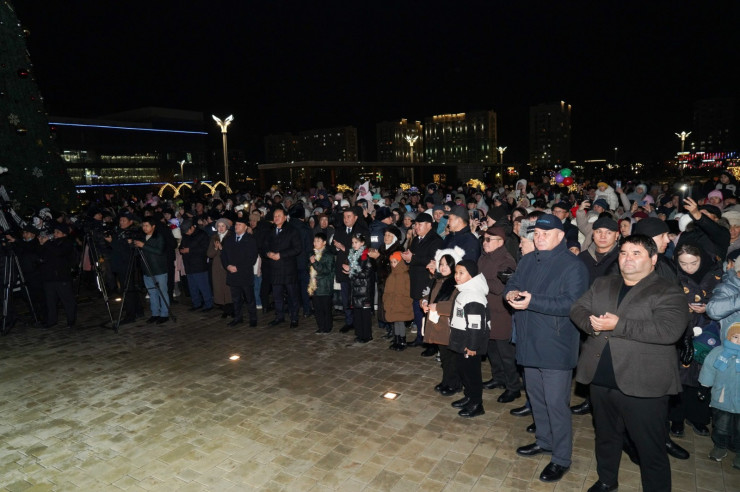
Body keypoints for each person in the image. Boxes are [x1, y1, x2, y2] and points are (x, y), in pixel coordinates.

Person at [570, 234, 688, 492]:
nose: (627, 258)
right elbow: (577, 309)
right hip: (601, 378)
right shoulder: (603, 283)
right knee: (605, 437)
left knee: (650, 448)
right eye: (623, 253)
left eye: (636, 253)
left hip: (643, 384)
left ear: (653, 259)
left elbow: (669, 331)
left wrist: (618, 325)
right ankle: (606, 480)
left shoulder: (668, 290)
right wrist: (592, 325)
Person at [504, 213, 589, 483]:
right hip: (529, 339)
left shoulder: (573, 266)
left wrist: (532, 301)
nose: (539, 238)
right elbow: (514, 282)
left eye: (546, 234)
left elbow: (572, 304)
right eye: (537, 234)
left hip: (555, 344)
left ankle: (561, 457)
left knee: (556, 404)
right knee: (537, 398)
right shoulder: (528, 259)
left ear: (560, 236)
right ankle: (544, 440)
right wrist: (509, 293)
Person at [670, 243, 721, 438]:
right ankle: (676, 418)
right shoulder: (673, 274)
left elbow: (725, 299)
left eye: (693, 263)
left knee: (702, 375)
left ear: (702, 259)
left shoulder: (716, 274)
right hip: (681, 329)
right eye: (683, 263)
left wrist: (708, 308)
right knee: (679, 376)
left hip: (708, 331)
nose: (689, 268)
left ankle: (697, 417)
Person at [477, 226, 521, 402]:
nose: (485, 243)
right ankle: (498, 378)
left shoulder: (506, 261)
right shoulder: (484, 257)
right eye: (484, 239)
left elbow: (500, 287)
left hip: (501, 313)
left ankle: (513, 387)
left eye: (489, 239)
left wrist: (478, 280)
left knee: (506, 354)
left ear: (500, 242)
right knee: (492, 350)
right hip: (486, 311)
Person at [444, 260, 489, 418]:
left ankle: (477, 404)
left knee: (472, 374)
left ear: (472, 275)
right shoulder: (464, 290)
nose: (457, 276)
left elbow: (475, 325)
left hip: (469, 342)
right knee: (463, 370)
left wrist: (472, 346)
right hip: (462, 340)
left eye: (461, 273)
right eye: (456, 272)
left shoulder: (473, 295)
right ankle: (469, 396)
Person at [698, 322, 740, 468]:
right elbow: (709, 369)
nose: (738, 341)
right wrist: (704, 386)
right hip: (722, 398)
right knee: (721, 425)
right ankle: (720, 446)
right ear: (729, 337)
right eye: (736, 337)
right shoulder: (719, 352)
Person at [423, 248, 463, 395]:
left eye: (447, 264)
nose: (443, 267)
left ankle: (455, 384)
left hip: (449, 325)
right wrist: (424, 302)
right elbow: (430, 296)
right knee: (444, 356)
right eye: (441, 264)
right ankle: (446, 381)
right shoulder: (438, 280)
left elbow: (456, 305)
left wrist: (437, 307)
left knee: (452, 357)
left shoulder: (456, 284)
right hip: (438, 324)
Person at [402, 212, 443, 349]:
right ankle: (420, 337)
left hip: (427, 281)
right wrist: (407, 257)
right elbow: (412, 256)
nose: (416, 227)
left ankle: (430, 341)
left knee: (427, 311)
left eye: (420, 224)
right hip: (416, 280)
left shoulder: (435, 240)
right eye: (416, 225)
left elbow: (433, 261)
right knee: (417, 310)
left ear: (429, 225)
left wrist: (412, 258)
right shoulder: (416, 239)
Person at [332, 207, 370, 333]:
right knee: (345, 298)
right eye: (344, 217)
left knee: (357, 298)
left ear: (355, 217)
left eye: (349, 216)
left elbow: (364, 249)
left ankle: (358, 322)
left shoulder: (362, 231)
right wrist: (336, 248)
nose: (346, 219)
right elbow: (332, 248)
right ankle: (349, 321)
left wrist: (344, 248)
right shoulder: (339, 230)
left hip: (357, 271)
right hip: (343, 269)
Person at [264, 208, 302, 327]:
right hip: (274, 268)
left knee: (292, 295)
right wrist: (268, 253)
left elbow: (297, 248)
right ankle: (279, 316)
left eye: (279, 216)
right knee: (277, 295)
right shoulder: (270, 231)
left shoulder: (292, 231)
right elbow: (264, 246)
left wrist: (281, 255)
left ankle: (294, 318)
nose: (276, 218)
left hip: (288, 268)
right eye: (275, 216)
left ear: (285, 217)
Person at [367, 225, 404, 339]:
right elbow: (376, 267)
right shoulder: (382, 248)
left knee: (392, 308)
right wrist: (374, 258)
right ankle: (389, 329)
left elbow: (392, 267)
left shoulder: (398, 249)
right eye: (385, 235)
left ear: (395, 238)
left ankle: (395, 332)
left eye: (389, 235)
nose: (386, 237)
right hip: (382, 283)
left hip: (393, 284)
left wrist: (379, 257)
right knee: (385, 308)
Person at [220, 216, 259, 327]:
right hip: (232, 274)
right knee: (236, 298)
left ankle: (253, 318)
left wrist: (238, 267)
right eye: (236, 224)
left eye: (239, 224)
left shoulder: (250, 240)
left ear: (245, 227)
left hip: (244, 274)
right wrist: (227, 266)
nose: (237, 226)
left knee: (249, 298)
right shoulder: (229, 239)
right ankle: (238, 317)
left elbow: (252, 258)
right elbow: (223, 255)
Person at [38, 223, 77, 329]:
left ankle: (71, 320)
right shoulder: (51, 243)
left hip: (61, 276)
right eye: (54, 232)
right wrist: (42, 244)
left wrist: (47, 243)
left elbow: (59, 252)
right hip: (49, 276)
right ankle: (51, 320)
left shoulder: (67, 243)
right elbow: (42, 255)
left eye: (57, 232)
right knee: (50, 301)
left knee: (67, 300)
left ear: (64, 234)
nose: (55, 234)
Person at [133, 218, 169, 324]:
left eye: (146, 226)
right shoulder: (142, 237)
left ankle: (164, 314)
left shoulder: (159, 237)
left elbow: (159, 251)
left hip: (159, 270)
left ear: (153, 226)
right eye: (143, 226)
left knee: (162, 292)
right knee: (152, 293)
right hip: (146, 270)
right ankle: (155, 313)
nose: (144, 228)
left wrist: (143, 246)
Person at [342, 233, 374, 343]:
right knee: (357, 313)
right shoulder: (353, 255)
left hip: (364, 290)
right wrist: (349, 271)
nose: (354, 244)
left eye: (356, 242)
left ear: (362, 243)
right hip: (355, 288)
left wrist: (351, 270)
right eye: (352, 242)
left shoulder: (366, 255)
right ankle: (360, 334)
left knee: (365, 314)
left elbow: (366, 273)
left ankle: (367, 335)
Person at [178, 219, 214, 312]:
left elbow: (205, 249)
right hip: (188, 265)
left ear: (192, 227)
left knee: (203, 286)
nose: (186, 233)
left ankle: (208, 304)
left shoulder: (202, 234)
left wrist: (189, 250)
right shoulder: (185, 235)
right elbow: (181, 246)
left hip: (199, 265)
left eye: (187, 231)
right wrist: (181, 250)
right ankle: (196, 303)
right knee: (192, 287)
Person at [383, 251, 414, 350]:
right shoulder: (391, 275)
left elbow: (409, 290)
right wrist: (386, 299)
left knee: (400, 322)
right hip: (393, 303)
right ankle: (396, 339)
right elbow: (387, 289)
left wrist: (406, 301)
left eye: (395, 262)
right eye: (391, 262)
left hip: (401, 304)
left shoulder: (405, 275)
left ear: (400, 262)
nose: (393, 264)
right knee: (395, 321)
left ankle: (402, 341)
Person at [308, 232, 335, 333]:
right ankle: (321, 327)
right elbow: (309, 268)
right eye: (314, 241)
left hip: (325, 286)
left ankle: (327, 327)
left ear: (324, 242)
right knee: (317, 308)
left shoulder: (328, 255)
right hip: (314, 285)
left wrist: (314, 263)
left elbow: (326, 270)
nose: (315, 243)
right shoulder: (312, 253)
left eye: (318, 241)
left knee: (326, 308)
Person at [206, 218, 234, 318]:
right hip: (217, 266)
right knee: (219, 287)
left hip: (228, 265)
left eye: (223, 226)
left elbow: (233, 252)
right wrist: (215, 248)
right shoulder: (214, 237)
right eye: (219, 226)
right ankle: (224, 309)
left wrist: (222, 249)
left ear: (226, 227)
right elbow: (209, 254)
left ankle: (232, 309)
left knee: (229, 288)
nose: (221, 228)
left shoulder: (231, 236)